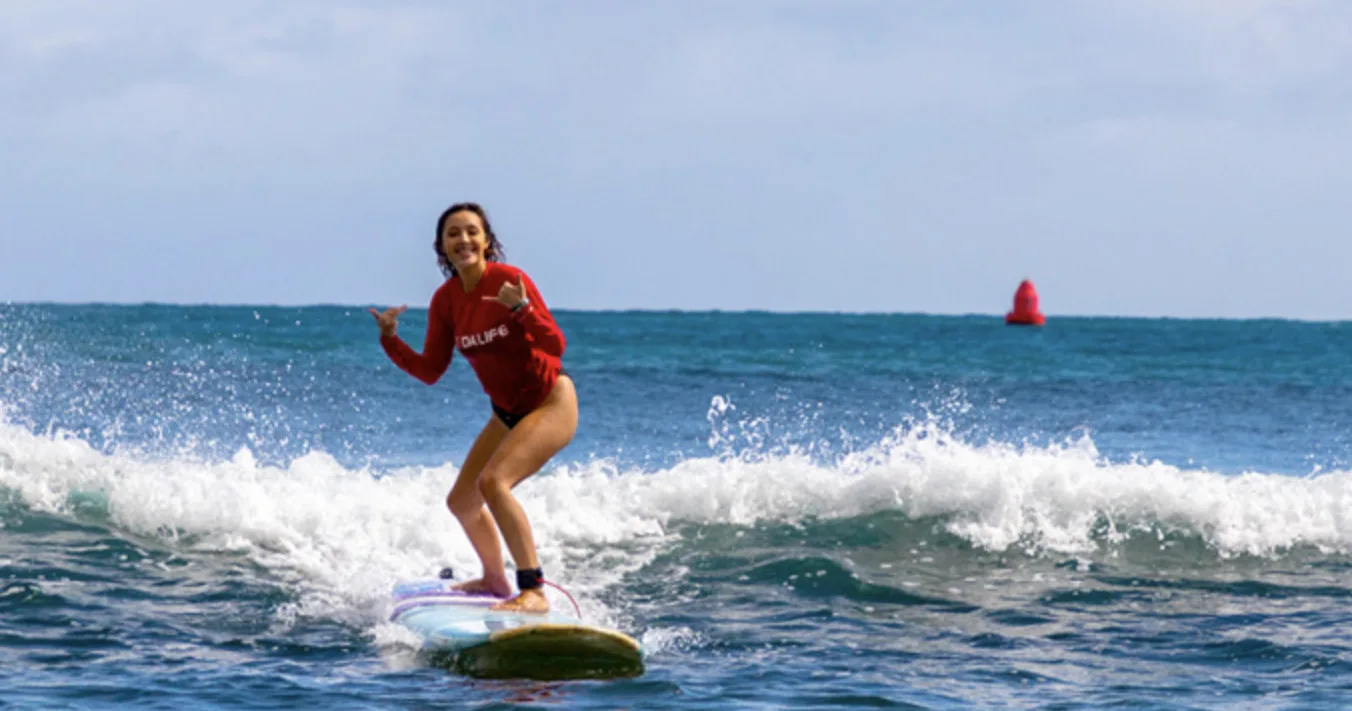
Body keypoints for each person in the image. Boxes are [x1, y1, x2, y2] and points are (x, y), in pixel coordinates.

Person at [369, 202, 575, 614]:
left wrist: (521, 310)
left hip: (551, 401)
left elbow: (555, 345)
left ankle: (533, 590)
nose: (463, 240)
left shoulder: (510, 281)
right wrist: (390, 339)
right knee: (462, 501)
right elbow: (430, 370)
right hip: (506, 413)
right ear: (442, 247)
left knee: (494, 483)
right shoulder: (446, 301)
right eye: (453, 234)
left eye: (471, 232)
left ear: (486, 241)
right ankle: (495, 580)